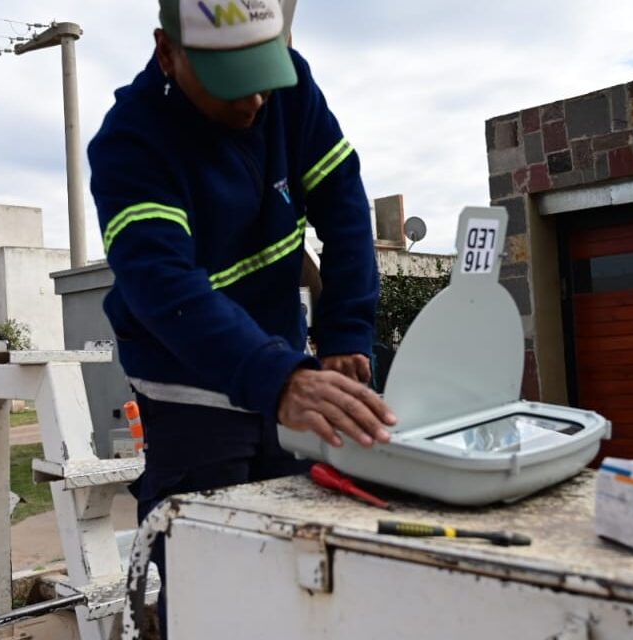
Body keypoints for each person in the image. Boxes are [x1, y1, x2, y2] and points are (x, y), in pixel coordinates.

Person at [87, 0, 396, 628]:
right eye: (231, 81)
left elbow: (342, 202)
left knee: (300, 562)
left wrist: (345, 330)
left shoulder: (289, 84)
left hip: (281, 367)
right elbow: (165, 285)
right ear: (167, 52)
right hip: (189, 385)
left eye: (263, 72)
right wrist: (277, 378)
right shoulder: (130, 145)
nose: (254, 100)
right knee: (212, 578)